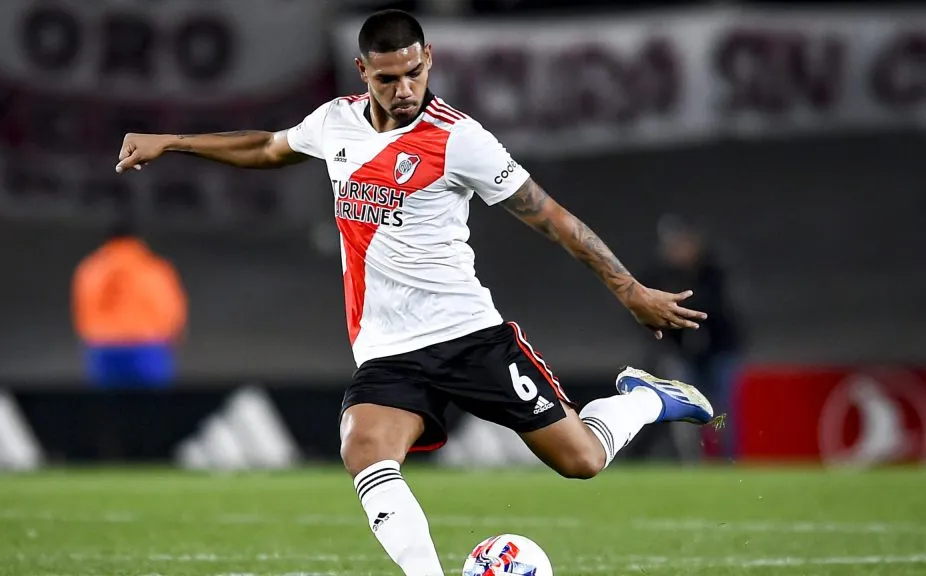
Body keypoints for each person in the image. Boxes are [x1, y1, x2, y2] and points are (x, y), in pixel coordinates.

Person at [114, 10, 716, 576]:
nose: (404, 89)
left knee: (580, 460)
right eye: (388, 78)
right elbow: (269, 146)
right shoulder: (335, 122)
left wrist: (629, 289)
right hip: (387, 350)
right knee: (364, 446)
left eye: (413, 72)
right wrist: (173, 140)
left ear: (428, 58)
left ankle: (646, 398)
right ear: (362, 72)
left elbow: (552, 218)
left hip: (469, 336)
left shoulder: (459, 139)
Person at [640, 213, 744, 459]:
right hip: (684, 353)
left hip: (719, 350)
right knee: (685, 407)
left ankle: (728, 457)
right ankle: (692, 460)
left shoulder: (712, 272)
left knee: (723, 407)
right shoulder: (661, 276)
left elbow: (718, 310)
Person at [72, 218, 187, 387]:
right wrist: (173, 337)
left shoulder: (90, 269)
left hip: (103, 346)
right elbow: (169, 307)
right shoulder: (154, 268)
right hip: (147, 346)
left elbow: (83, 308)